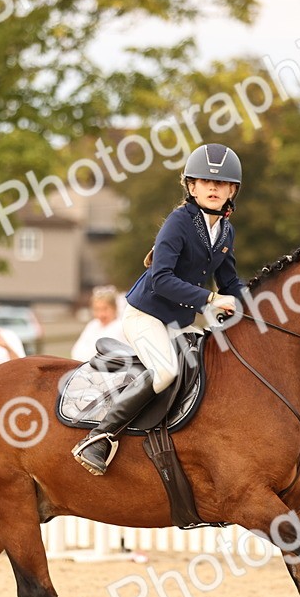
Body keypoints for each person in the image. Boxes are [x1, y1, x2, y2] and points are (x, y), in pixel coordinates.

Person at [71, 142, 244, 476]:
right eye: (205, 182)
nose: (212, 187)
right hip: (145, 316)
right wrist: (209, 300)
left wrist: (258, 305)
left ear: (232, 190)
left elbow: (231, 283)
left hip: (178, 322)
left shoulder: (225, 230)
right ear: (191, 187)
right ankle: (100, 436)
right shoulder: (179, 223)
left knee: (210, 368)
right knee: (165, 372)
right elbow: (161, 279)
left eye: (220, 183)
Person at [71, 286, 127, 362]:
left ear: (115, 308)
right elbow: (78, 348)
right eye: (97, 309)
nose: (101, 314)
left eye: (105, 309)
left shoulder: (120, 327)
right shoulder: (93, 325)